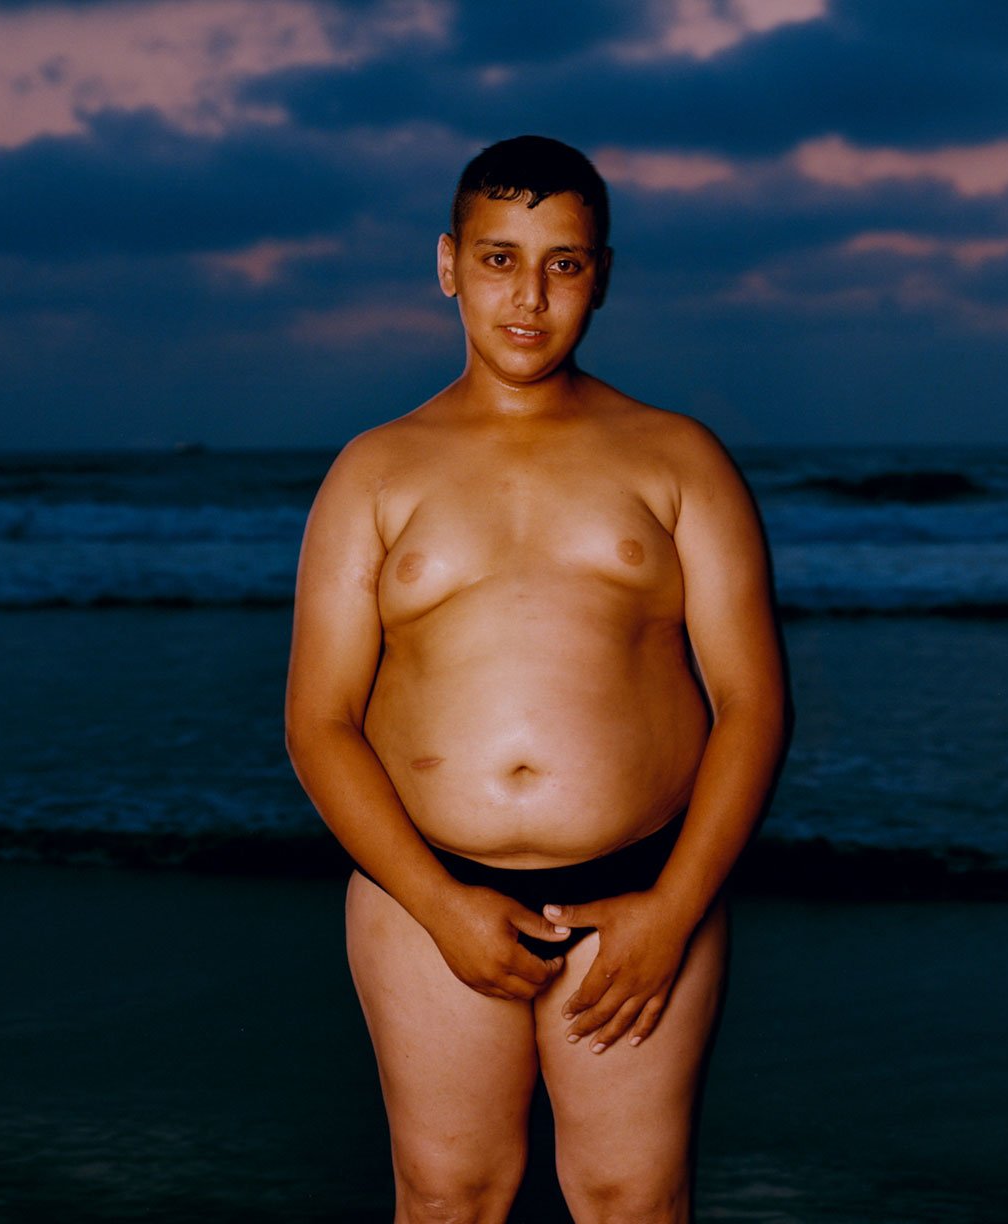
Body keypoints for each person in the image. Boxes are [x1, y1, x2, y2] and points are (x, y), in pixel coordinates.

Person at [285, 135, 790, 1221]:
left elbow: (754, 702)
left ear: (601, 274)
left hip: (643, 887)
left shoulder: (677, 457)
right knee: (449, 1196)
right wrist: (438, 904)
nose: (529, 294)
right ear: (448, 265)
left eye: (563, 262)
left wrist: (676, 906)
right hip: (425, 894)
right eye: (501, 257)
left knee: (631, 1200)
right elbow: (318, 722)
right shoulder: (374, 469)